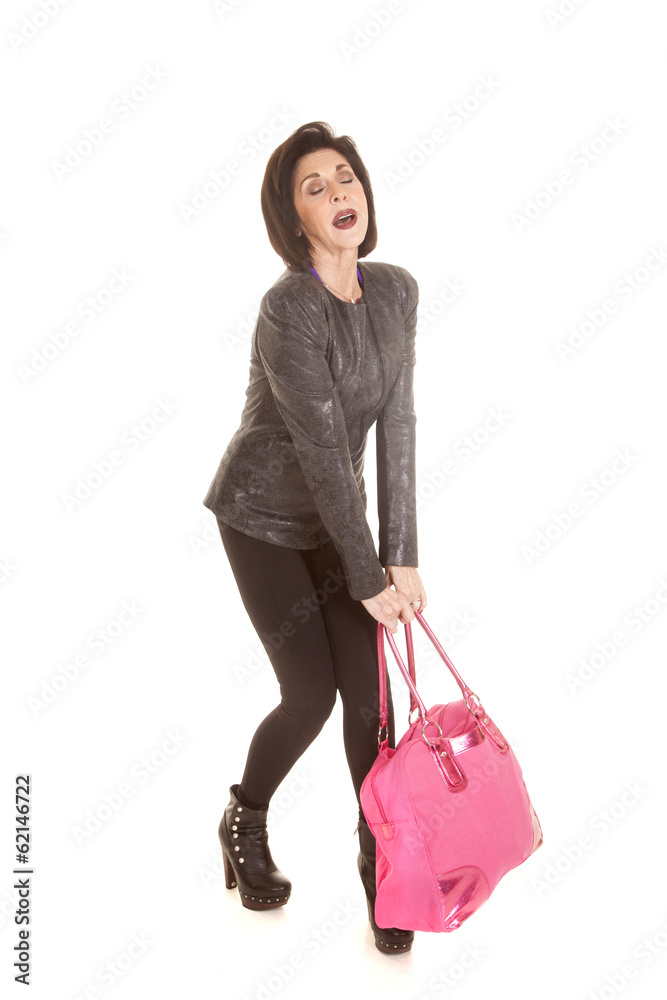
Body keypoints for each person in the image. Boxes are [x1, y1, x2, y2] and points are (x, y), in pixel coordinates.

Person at [202, 121, 427, 953]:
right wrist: (368, 575)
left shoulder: (395, 292)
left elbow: (396, 423)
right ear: (292, 218)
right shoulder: (288, 307)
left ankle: (382, 864)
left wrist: (399, 554)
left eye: (346, 177)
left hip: (341, 526)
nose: (338, 193)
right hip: (260, 517)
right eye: (314, 186)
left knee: (373, 703)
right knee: (310, 694)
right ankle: (244, 818)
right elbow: (323, 450)